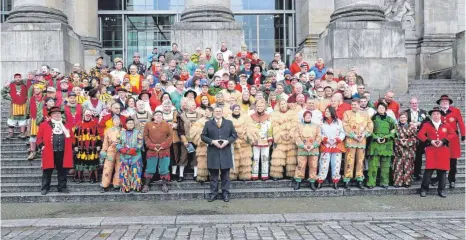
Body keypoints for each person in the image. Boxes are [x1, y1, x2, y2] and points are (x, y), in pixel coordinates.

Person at [201, 106, 238, 202]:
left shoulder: (229, 123)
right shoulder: (208, 123)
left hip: (225, 151)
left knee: (225, 175)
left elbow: (234, 135)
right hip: (213, 151)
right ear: (213, 113)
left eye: (219, 111)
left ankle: (226, 194)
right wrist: (212, 141)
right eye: (216, 111)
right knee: (213, 176)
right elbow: (203, 136)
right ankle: (213, 194)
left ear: (222, 112)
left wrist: (227, 141)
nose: (218, 112)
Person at [418, 107, 456, 198]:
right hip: (431, 149)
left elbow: (453, 134)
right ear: (431, 116)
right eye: (434, 114)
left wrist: (444, 140)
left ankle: (441, 190)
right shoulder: (427, 124)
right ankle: (424, 189)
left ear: (440, 115)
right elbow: (420, 134)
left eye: (437, 114)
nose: (436, 115)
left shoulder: (445, 124)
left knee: (442, 171)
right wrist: (430, 141)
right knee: (428, 170)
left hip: (443, 149)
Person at [36, 106, 74, 195]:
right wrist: (41, 146)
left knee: (62, 171)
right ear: (51, 115)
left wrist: (71, 145)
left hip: (63, 152)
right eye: (54, 113)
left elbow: (72, 137)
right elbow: (39, 138)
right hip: (49, 151)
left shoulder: (66, 125)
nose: (57, 115)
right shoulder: (44, 125)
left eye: (58, 113)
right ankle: (45, 188)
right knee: (47, 170)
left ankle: (62, 187)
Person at [342, 99, 373, 189]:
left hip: (361, 141)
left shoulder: (365, 114)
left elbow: (370, 125)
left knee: (360, 161)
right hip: (351, 141)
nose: (354, 106)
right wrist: (353, 135)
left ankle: (359, 179)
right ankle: (347, 179)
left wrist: (364, 134)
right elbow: (345, 125)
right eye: (352, 105)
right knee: (349, 160)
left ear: (359, 105)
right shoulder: (347, 113)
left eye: (355, 104)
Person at [437, 95, 465, 188]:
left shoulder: (456, 111)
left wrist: (463, 136)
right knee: (440, 160)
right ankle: (439, 179)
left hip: (453, 140)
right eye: (442, 102)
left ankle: (452, 179)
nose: (444, 103)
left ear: (449, 103)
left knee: (453, 161)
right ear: (440, 103)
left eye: (446, 101)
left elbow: (461, 123)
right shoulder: (436, 113)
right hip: (441, 140)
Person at [367, 103, 396, 189]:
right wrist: (376, 138)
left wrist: (386, 138)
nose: (381, 109)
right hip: (375, 144)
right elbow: (369, 130)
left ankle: (384, 182)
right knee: (373, 165)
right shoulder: (372, 118)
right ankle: (371, 183)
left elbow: (394, 130)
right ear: (377, 109)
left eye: (383, 107)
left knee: (386, 165)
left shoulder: (390, 119)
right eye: (379, 107)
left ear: (386, 109)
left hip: (387, 145)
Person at [143, 110, 173, 193]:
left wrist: (162, 146)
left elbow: (170, 136)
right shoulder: (148, 125)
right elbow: (145, 136)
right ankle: (146, 185)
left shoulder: (167, 125)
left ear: (162, 116)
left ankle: (164, 185)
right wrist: (152, 146)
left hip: (164, 151)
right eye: (157, 115)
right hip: (152, 151)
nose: (159, 116)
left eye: (160, 115)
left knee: (164, 168)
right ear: (153, 116)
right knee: (150, 168)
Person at [228, 104, 259, 181]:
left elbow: (251, 127)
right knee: (234, 159)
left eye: (238, 109)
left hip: (244, 142)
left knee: (245, 160)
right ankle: (233, 175)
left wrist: (245, 134)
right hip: (234, 143)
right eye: (235, 109)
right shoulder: (228, 119)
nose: (237, 110)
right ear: (232, 110)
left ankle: (244, 176)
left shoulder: (246, 118)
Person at [317, 106, 346, 189]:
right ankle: (320, 180)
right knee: (323, 164)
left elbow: (342, 133)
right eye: (325, 111)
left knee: (336, 163)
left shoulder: (338, 122)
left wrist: (338, 139)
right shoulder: (321, 122)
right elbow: (319, 133)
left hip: (336, 145)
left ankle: (335, 181)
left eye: (328, 111)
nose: (326, 113)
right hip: (326, 145)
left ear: (332, 112)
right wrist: (325, 139)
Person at [270, 99, 299, 180]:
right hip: (279, 138)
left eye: (284, 104)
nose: (283, 105)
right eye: (281, 104)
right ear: (278, 106)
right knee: (278, 157)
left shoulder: (293, 114)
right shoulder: (274, 114)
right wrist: (281, 133)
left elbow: (295, 125)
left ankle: (291, 174)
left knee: (291, 157)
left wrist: (290, 133)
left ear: (287, 104)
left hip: (290, 137)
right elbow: (274, 125)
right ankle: (276, 174)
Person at [293, 111, 322, 191]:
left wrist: (313, 145)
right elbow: (297, 136)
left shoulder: (316, 126)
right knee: (301, 165)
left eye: (309, 115)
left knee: (313, 165)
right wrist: (303, 145)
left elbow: (319, 136)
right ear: (304, 116)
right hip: (302, 149)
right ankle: (298, 182)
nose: (308, 116)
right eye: (306, 115)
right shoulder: (299, 126)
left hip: (313, 149)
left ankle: (312, 182)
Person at [116, 117, 143, 193]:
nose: (130, 124)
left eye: (132, 123)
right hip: (124, 156)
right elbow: (117, 143)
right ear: (126, 124)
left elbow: (140, 143)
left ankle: (136, 186)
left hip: (135, 156)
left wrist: (134, 149)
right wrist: (121, 149)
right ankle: (125, 187)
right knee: (125, 172)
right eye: (129, 123)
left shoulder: (138, 132)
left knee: (136, 171)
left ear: (134, 124)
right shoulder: (121, 133)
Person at [74, 109, 101, 183]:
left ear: (91, 115)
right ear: (84, 114)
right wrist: (75, 146)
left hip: (92, 147)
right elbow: (75, 137)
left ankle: (92, 178)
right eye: (87, 114)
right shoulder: (79, 124)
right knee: (80, 163)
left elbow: (98, 136)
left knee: (92, 163)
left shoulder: (95, 124)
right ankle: (79, 178)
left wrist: (99, 145)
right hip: (81, 147)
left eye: (89, 114)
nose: (88, 115)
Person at [177, 101, 202, 181]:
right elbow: (180, 129)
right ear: (187, 106)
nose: (194, 107)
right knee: (183, 157)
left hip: (197, 140)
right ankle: (181, 175)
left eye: (195, 105)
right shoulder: (182, 116)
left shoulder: (200, 115)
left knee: (196, 157)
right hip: (186, 140)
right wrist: (184, 141)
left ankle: (195, 174)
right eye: (192, 105)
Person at [404, 97, 428, 181]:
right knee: (409, 155)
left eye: (415, 103)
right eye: (412, 103)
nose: (414, 104)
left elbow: (427, 122)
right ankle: (408, 172)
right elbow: (402, 121)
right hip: (409, 136)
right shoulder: (406, 112)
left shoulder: (423, 112)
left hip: (420, 136)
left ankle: (417, 173)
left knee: (418, 156)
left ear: (418, 103)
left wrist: (420, 123)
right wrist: (408, 123)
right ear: (410, 104)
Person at [250, 100, 273, 180]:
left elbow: (270, 128)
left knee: (265, 158)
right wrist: (252, 139)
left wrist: (270, 139)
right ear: (256, 107)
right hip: (255, 140)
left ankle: (264, 175)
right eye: (258, 106)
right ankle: (254, 174)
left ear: (264, 107)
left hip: (265, 140)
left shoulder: (268, 116)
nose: (260, 108)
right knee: (255, 158)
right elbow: (250, 129)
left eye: (261, 106)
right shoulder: (252, 116)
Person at [393, 112, 418, 188]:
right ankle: (398, 182)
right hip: (399, 149)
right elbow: (393, 137)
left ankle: (407, 182)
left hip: (409, 150)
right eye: (401, 118)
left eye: (404, 117)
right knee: (398, 166)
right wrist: (399, 141)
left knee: (408, 166)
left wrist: (407, 142)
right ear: (399, 119)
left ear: (407, 118)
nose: (402, 119)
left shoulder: (412, 127)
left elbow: (415, 138)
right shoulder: (396, 127)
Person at [189, 106, 213, 183]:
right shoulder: (200, 121)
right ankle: (202, 176)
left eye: (209, 111)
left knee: (214, 160)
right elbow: (193, 132)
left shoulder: (216, 120)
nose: (207, 113)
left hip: (214, 144)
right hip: (203, 144)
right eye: (206, 111)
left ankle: (213, 176)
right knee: (202, 161)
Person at [100, 116, 122, 192]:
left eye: (118, 120)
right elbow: (105, 142)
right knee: (108, 167)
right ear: (112, 121)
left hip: (121, 151)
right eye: (115, 120)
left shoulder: (124, 131)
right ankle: (105, 184)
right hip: (110, 150)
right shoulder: (108, 131)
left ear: (120, 121)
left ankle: (117, 184)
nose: (116, 121)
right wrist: (104, 150)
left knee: (119, 167)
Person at [2, 73, 28, 139]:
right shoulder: (11, 85)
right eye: (16, 77)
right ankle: (10, 133)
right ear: (14, 78)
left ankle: (22, 133)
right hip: (14, 105)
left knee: (23, 119)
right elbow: (3, 93)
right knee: (11, 119)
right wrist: (10, 98)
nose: (18, 78)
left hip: (23, 105)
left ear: (21, 78)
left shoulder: (25, 85)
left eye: (19, 77)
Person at [26, 84, 44, 160]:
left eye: (38, 88)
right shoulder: (31, 99)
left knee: (42, 136)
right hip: (33, 119)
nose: (36, 90)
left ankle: (41, 151)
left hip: (42, 120)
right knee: (33, 135)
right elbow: (28, 108)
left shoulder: (44, 99)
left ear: (41, 90)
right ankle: (33, 151)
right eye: (35, 89)